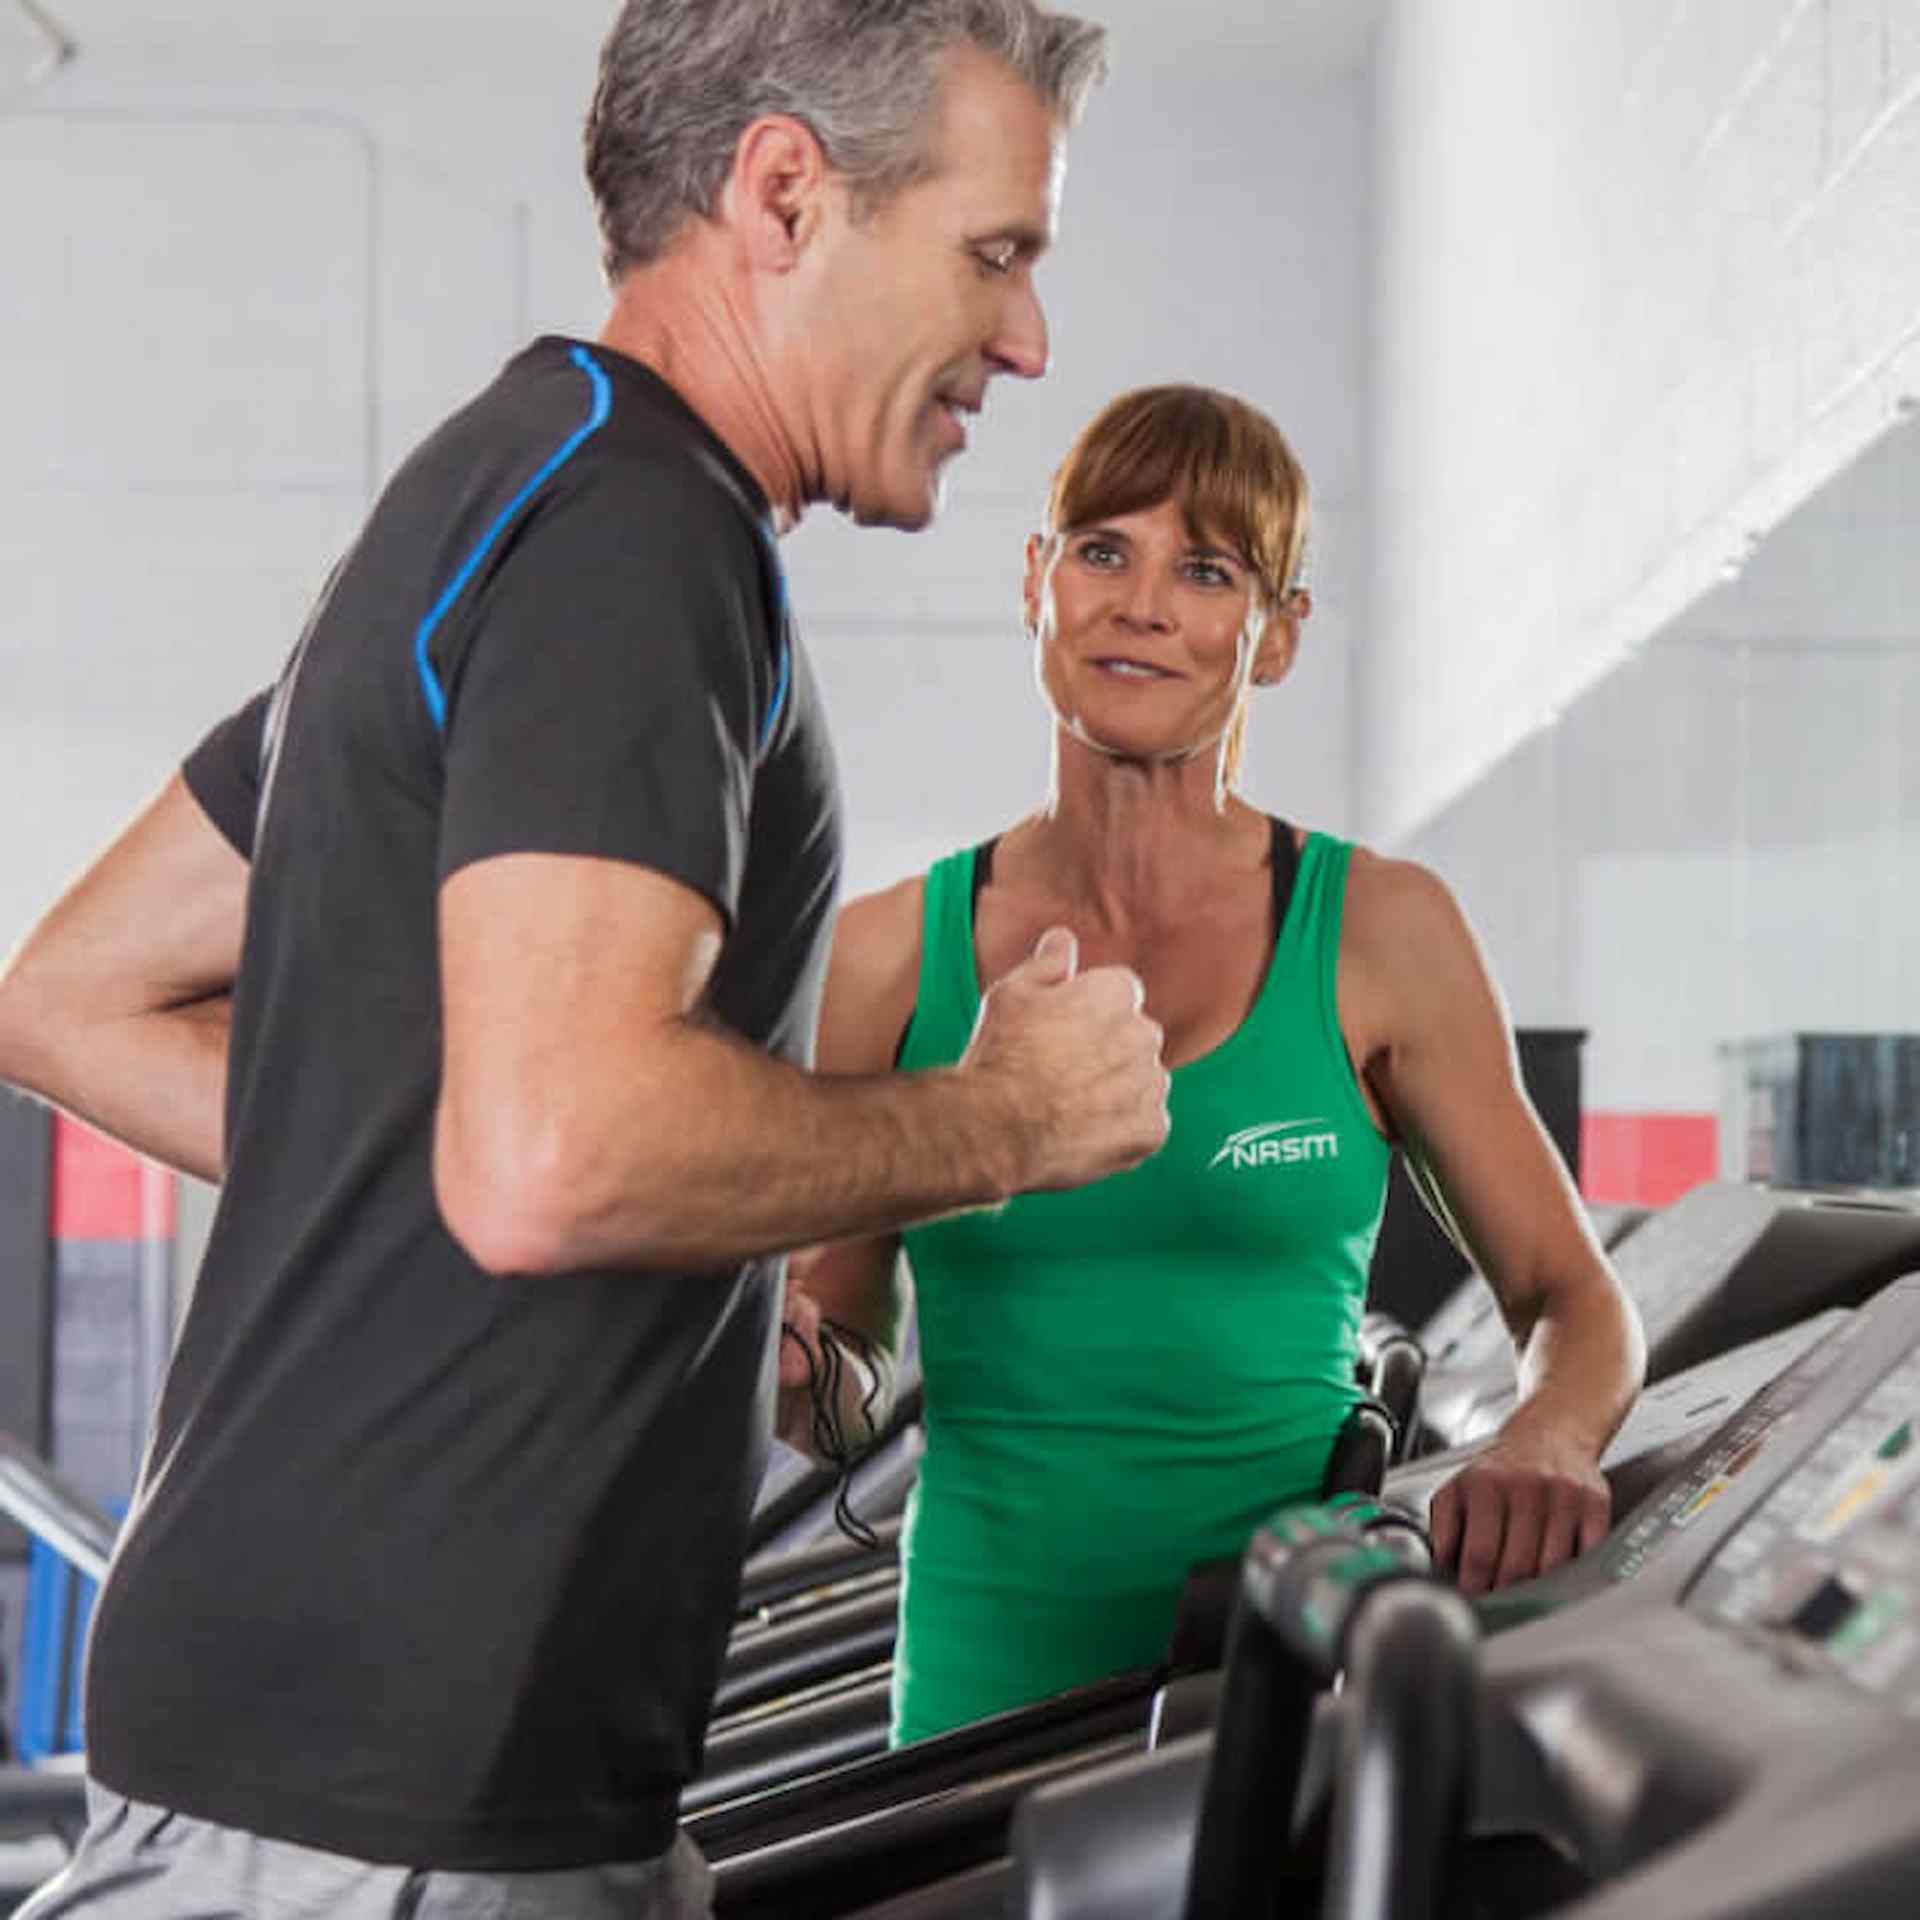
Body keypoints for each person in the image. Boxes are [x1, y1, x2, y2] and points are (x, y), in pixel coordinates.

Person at [0, 5, 1171, 1915]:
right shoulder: (643, 546)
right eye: (996, 253)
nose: (1026, 341)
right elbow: (550, 1152)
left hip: (335, 1771)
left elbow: (72, 996)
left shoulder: (510, 492)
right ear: (785, 191)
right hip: (381, 1816)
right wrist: (999, 1119)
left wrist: (678, 1238)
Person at [782, 384, 1647, 1746]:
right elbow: (842, 1382)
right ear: (1036, 583)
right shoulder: (889, 959)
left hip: (1275, 1688)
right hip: (978, 1688)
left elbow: (1572, 1299)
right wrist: (790, 1374)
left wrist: (1544, 1439)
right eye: (1102, 549)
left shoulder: (1377, 930)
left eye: (1206, 570)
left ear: (1277, 634)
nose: (1140, 604)